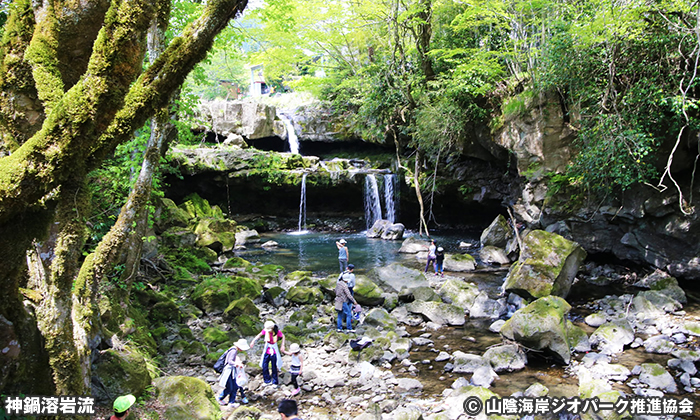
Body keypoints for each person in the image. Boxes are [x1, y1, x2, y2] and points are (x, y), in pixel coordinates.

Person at [250, 320, 285, 386]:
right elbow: (259, 335)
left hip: (274, 349)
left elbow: (283, 336)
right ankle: (267, 380)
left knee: (274, 366)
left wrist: (282, 345)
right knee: (264, 365)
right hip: (267, 349)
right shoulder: (265, 331)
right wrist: (253, 341)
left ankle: (275, 381)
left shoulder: (277, 332)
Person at [218, 338, 250, 407]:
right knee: (230, 387)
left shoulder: (232, 349)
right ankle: (220, 398)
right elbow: (230, 361)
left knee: (235, 386)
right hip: (229, 371)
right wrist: (237, 364)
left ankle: (231, 402)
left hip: (231, 371)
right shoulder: (234, 351)